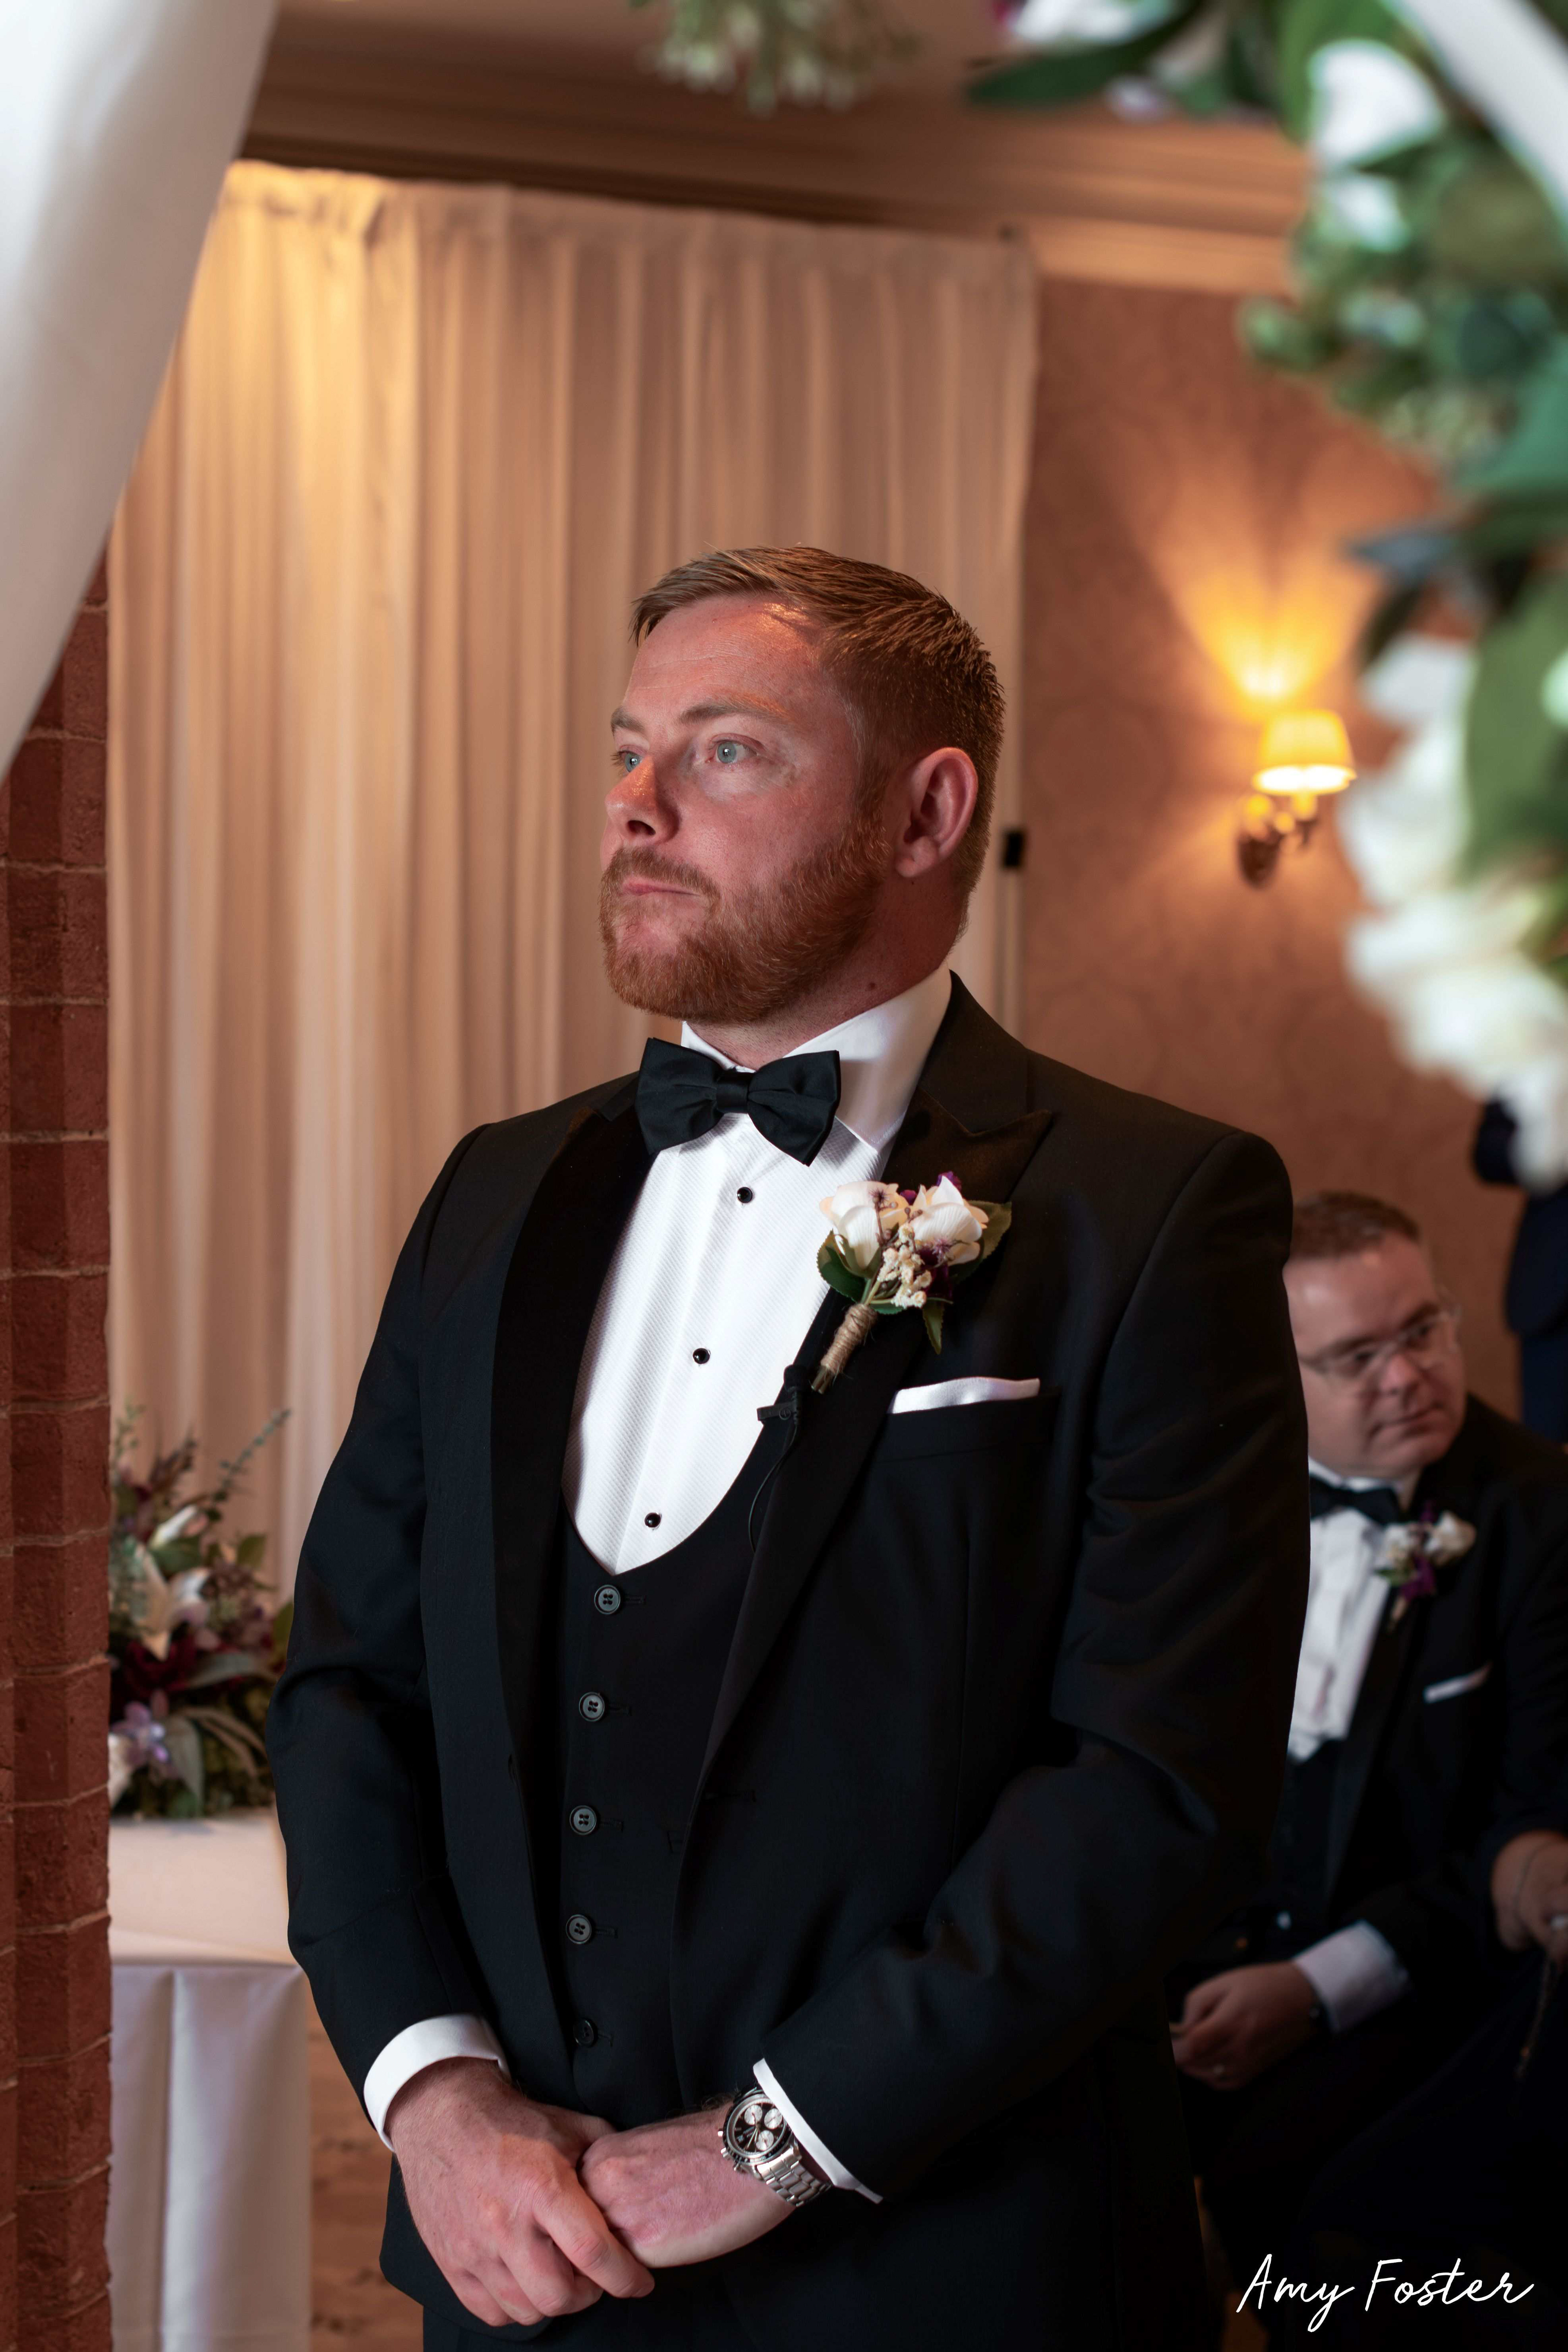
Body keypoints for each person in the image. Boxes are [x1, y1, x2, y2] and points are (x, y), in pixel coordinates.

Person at [269, 546, 1309, 2352]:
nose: (634, 805)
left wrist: (778, 2143)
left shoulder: (1154, 1212)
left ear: (925, 812)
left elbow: (1153, 1784)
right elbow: (351, 1685)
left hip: (948, 2270)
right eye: (624, 748)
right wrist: (433, 2100)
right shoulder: (494, 1191)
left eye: (726, 750)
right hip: (516, 2263)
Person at [1171, 1190, 1568, 2305]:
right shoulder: (1196, 1501)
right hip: (1181, 1965)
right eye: (1355, 1356)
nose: (1409, 1375)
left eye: (1423, 1329)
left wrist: (1310, 1987)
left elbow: (1527, 1825)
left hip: (1411, 1988)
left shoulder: (1543, 1518)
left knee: (1320, 2231)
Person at [1472, 1098, 1568, 1441]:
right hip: (1558, 1295)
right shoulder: (1546, 1049)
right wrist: (1553, 1144)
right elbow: (1489, 1153)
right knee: (1549, 1460)